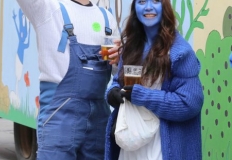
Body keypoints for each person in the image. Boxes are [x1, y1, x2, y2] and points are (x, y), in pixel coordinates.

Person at [16, 0, 120, 159]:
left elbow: (117, 70)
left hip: (99, 117)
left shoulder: (107, 18)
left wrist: (119, 59)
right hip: (59, 114)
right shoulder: (47, 8)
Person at [105, 0, 204, 160]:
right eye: (142, 1)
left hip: (164, 146)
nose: (148, 7)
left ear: (164, 7)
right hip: (131, 146)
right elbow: (119, 81)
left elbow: (190, 102)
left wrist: (142, 96)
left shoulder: (180, 53)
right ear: (135, 8)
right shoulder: (131, 46)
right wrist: (113, 92)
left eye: (156, 1)